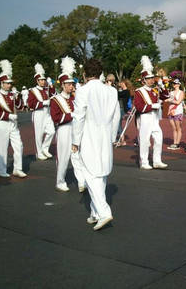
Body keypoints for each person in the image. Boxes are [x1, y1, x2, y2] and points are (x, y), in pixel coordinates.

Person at [71, 58, 120, 231]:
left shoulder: (83, 91)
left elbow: (78, 117)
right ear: (100, 73)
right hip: (105, 135)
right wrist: (113, 136)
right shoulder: (112, 91)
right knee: (101, 173)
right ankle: (94, 212)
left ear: (84, 74)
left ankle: (104, 212)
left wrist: (75, 141)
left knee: (91, 175)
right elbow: (116, 116)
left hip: (88, 135)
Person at [50, 57, 85, 192]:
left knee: (77, 156)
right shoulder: (55, 100)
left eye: (72, 84)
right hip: (64, 130)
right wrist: (71, 115)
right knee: (64, 157)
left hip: (74, 129)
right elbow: (56, 118)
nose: (72, 86)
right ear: (63, 85)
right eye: (69, 84)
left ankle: (81, 181)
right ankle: (60, 181)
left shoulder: (73, 99)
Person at [134, 56, 170, 169]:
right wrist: (152, 106)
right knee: (144, 140)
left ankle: (157, 160)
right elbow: (139, 107)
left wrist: (162, 86)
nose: (151, 80)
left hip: (154, 118)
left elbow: (166, 96)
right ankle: (144, 162)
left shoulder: (155, 90)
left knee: (159, 138)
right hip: (145, 118)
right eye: (148, 78)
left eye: (152, 78)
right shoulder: (139, 92)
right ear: (144, 80)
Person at [0, 60, 26, 178]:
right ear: (1, 83)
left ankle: (17, 168)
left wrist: (18, 97)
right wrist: (8, 115)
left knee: (19, 145)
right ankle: (1, 169)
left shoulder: (11, 94)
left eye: (10, 83)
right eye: (7, 83)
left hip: (13, 124)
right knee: (2, 147)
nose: (10, 85)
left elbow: (19, 106)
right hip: (2, 123)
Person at [27, 63, 56, 161]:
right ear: (37, 81)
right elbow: (30, 104)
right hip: (38, 113)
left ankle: (45, 148)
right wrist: (43, 103)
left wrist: (51, 85)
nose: (43, 82)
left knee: (51, 131)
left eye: (44, 80)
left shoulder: (46, 90)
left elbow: (53, 94)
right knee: (38, 135)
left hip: (47, 114)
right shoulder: (33, 91)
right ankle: (39, 153)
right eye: (41, 80)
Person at [166, 78, 184, 150]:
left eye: (176, 83)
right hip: (171, 111)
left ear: (179, 84)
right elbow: (168, 101)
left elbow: (178, 102)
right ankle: (174, 143)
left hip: (178, 111)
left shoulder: (181, 92)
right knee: (173, 128)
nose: (175, 85)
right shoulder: (171, 93)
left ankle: (177, 143)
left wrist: (170, 100)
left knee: (178, 128)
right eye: (174, 83)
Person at [117, 79, 134, 146]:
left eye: (121, 83)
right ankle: (120, 139)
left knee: (118, 124)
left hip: (122, 109)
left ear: (124, 83)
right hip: (121, 109)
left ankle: (122, 140)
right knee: (118, 123)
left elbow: (118, 94)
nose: (120, 83)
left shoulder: (126, 91)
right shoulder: (124, 91)